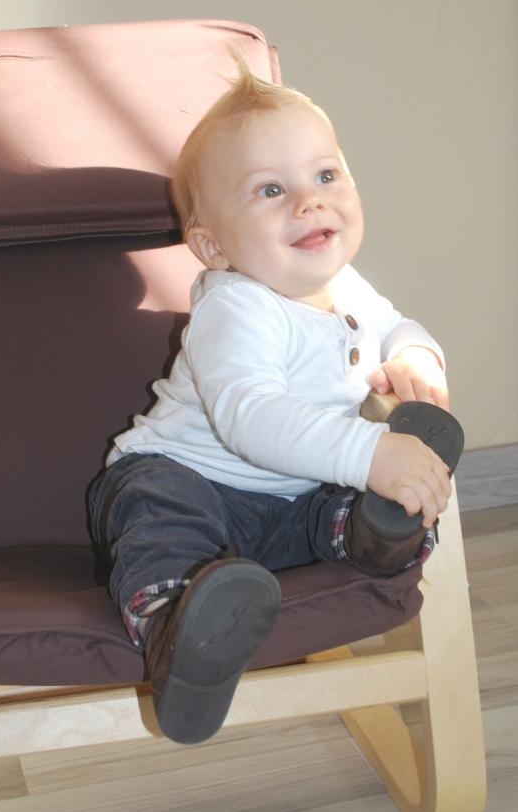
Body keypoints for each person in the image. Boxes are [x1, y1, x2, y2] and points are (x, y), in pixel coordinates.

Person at [88, 62, 463, 746]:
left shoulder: (347, 286)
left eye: (326, 175)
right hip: (190, 479)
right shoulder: (235, 307)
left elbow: (395, 325)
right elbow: (251, 417)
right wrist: (371, 452)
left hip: (289, 502)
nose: (309, 203)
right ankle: (180, 630)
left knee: (333, 503)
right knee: (161, 513)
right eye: (270, 190)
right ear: (212, 246)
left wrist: (415, 357)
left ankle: (377, 531)